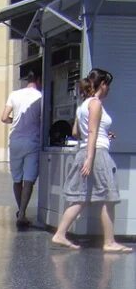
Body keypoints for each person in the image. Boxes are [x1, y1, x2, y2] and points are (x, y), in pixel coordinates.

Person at [51, 68, 131, 253]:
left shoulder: (82, 106)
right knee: (108, 197)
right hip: (97, 153)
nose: (109, 89)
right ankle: (109, 242)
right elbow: (93, 132)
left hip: (86, 150)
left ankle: (61, 233)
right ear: (102, 84)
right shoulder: (95, 103)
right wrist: (90, 157)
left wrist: (102, 136)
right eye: (108, 85)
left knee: (81, 196)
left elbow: (76, 132)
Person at [1, 70, 42, 228]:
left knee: (17, 179)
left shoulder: (14, 94)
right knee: (29, 180)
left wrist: (15, 121)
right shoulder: (40, 96)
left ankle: (21, 210)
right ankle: (23, 213)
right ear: (38, 80)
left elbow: (4, 117)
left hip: (15, 140)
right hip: (32, 140)